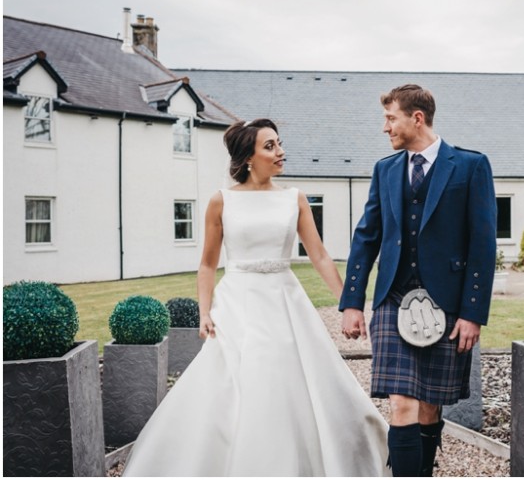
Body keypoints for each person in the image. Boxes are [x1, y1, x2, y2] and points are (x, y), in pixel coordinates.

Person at [123, 119, 389, 477]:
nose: (280, 152)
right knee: (237, 384)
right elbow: (206, 264)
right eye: (269, 146)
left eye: (279, 144)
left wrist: (349, 303)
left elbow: (320, 256)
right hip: (237, 303)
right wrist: (205, 312)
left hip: (285, 300)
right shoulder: (221, 201)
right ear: (248, 157)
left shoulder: (293, 198)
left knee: (295, 381)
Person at [339, 85, 497, 476]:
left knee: (429, 407)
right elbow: (366, 236)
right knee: (402, 405)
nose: (385, 127)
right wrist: (353, 302)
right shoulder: (385, 169)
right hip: (394, 298)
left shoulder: (469, 166)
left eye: (390, 118)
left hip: (445, 305)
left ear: (417, 118)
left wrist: (472, 313)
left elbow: (482, 245)